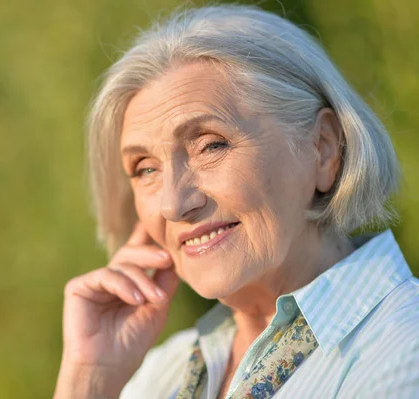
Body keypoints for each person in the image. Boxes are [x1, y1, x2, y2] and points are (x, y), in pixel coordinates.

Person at [54, 5, 419, 399]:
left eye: (211, 145)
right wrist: (90, 377)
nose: (173, 205)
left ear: (322, 149)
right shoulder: (160, 372)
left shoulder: (402, 348)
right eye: (145, 169)